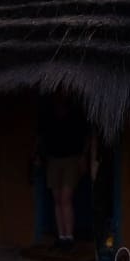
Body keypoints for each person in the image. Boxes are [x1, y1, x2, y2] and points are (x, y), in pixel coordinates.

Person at [37, 92, 93, 250]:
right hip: (54, 159)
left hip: (71, 159)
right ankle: (61, 236)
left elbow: (87, 136)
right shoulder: (49, 116)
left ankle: (69, 236)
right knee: (57, 200)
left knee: (66, 198)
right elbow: (41, 137)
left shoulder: (75, 116)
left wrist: (83, 157)